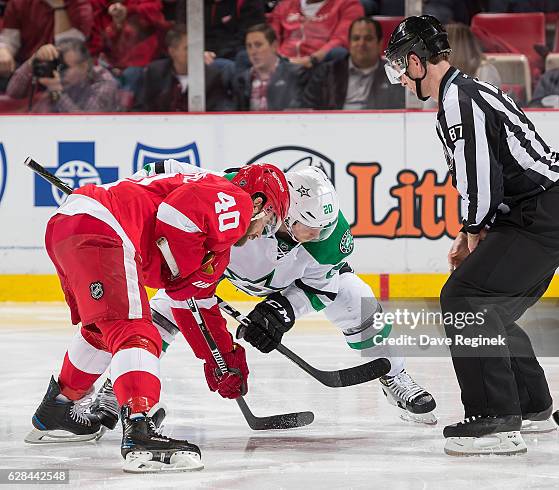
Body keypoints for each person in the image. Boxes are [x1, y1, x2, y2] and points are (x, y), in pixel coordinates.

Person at [89, 161, 437, 427]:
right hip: (212, 269)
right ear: (286, 215)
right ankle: (116, 387)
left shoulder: (327, 236)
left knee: (354, 295)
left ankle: (396, 375)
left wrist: (279, 310)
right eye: (310, 228)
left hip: (285, 284)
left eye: (324, 229)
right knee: (159, 315)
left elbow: (321, 285)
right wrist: (117, 197)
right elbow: (166, 171)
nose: (319, 235)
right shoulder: (240, 199)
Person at [384, 15, 559, 455]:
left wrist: (474, 232)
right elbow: (483, 178)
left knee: (465, 300)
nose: (399, 77)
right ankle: (532, 405)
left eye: (400, 65)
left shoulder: (459, 99)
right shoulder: (464, 93)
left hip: (538, 215)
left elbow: (482, 180)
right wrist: (467, 234)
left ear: (418, 61)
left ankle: (494, 421)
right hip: (548, 214)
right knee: (491, 308)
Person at [25, 162, 289, 473]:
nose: (261, 234)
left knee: (101, 329)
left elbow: (194, 302)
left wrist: (221, 359)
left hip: (71, 223)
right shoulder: (236, 201)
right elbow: (177, 214)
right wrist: (183, 272)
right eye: (269, 222)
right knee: (134, 332)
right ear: (258, 202)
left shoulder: (210, 197)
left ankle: (58, 408)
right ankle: (140, 431)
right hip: (102, 226)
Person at [302, 16, 404, 110]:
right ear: (349, 44)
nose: (361, 43)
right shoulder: (326, 73)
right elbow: (306, 109)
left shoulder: (395, 74)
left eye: (368, 38)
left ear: (380, 44)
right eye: (356, 38)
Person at [133, 23, 232, 112]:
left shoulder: (211, 76)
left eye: (197, 47)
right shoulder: (155, 72)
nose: (195, 52)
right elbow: (141, 108)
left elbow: (219, 111)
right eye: (188, 48)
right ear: (172, 51)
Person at [5, 38, 120, 112]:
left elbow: (85, 127)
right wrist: (32, 62)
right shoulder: (53, 74)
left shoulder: (103, 82)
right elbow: (13, 93)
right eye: (57, 64)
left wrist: (57, 92)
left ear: (84, 66)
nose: (59, 72)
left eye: (64, 67)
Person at [0, 0, 93, 92]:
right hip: (27, 65)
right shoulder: (18, 3)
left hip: (63, 69)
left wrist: (59, 7)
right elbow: (9, 39)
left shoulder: (81, 6)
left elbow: (67, 48)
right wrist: (4, 50)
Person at [88, 0, 169, 94]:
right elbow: (94, 49)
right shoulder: (98, 12)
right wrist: (115, 27)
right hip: (112, 72)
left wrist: (129, 10)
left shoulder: (143, 5)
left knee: (132, 74)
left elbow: (156, 12)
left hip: (147, 68)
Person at [269, 0, 364, 69]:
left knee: (339, 53)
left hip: (319, 65)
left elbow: (341, 40)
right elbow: (271, 37)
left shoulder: (348, 4)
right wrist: (278, 60)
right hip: (282, 65)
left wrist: (311, 60)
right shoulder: (285, 5)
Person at [232, 23, 304, 111]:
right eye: (249, 46)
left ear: (274, 46)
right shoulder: (242, 80)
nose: (253, 52)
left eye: (258, 45)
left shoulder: (295, 74)